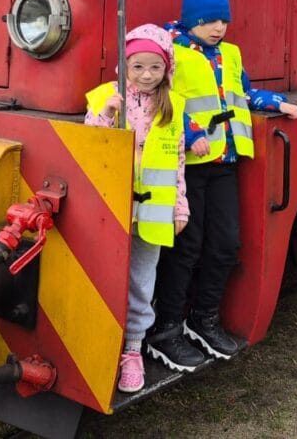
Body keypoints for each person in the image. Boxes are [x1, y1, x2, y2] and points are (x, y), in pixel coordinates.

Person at [147, 0, 297, 371]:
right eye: (209, 20)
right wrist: (193, 132)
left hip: (224, 165)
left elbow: (242, 95)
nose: (218, 28)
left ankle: (204, 318)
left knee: (227, 244)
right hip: (189, 168)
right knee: (184, 249)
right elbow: (157, 97)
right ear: (191, 19)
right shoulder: (170, 51)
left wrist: (276, 102)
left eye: (223, 21)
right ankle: (166, 329)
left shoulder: (229, 54)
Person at [84, 23, 189, 394]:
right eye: (138, 66)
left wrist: (180, 206)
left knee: (142, 280)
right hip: (114, 205)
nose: (146, 75)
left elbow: (176, 160)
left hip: (154, 211)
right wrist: (104, 115)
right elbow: (89, 145)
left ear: (166, 69)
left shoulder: (172, 106)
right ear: (124, 66)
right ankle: (101, 340)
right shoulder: (104, 97)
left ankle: (132, 348)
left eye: (155, 67)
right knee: (105, 273)